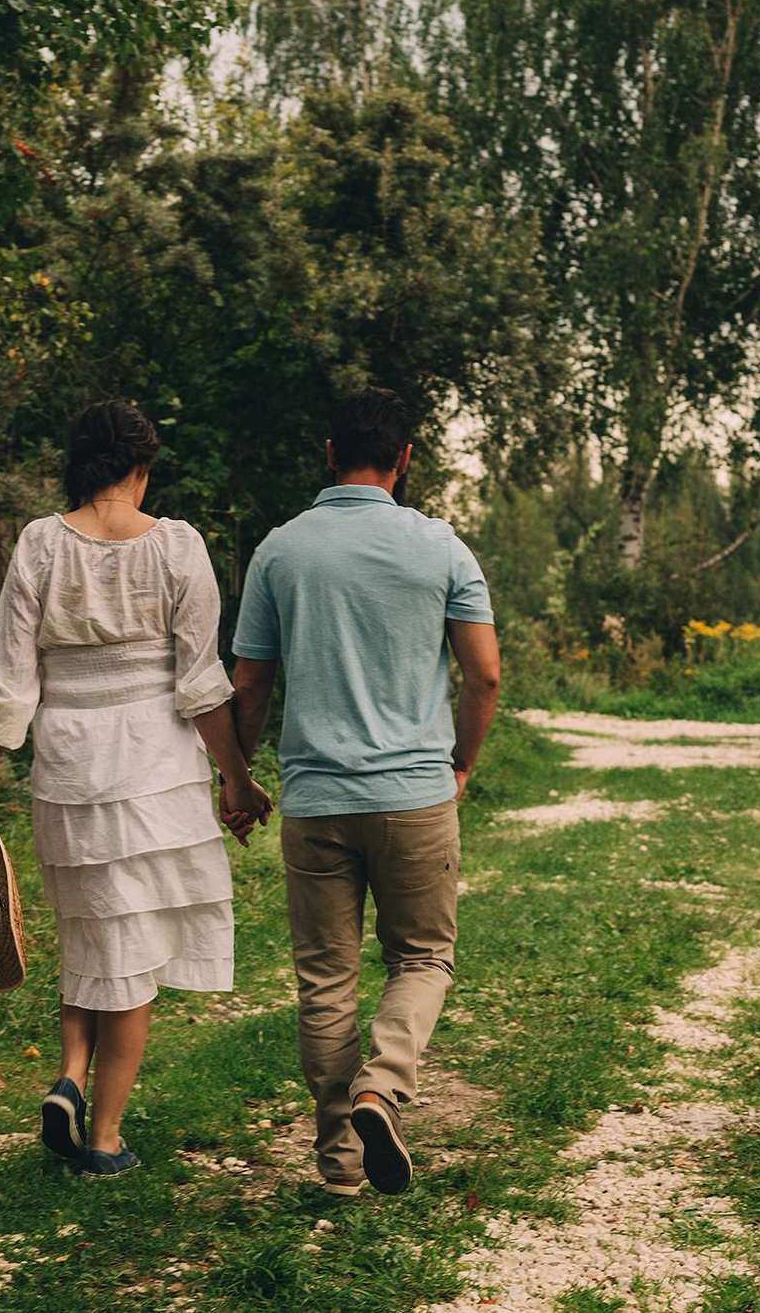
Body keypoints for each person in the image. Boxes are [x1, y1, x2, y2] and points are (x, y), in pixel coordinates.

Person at [0, 400, 272, 1178]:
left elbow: (10, 672)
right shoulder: (176, 545)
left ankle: (69, 1074)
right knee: (128, 955)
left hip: (67, 765)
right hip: (153, 766)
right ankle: (102, 1139)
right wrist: (236, 778)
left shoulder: (39, 542)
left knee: (91, 934)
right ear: (142, 466)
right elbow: (200, 683)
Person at [227, 388, 500, 1198]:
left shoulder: (281, 551)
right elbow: (484, 673)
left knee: (325, 979)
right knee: (421, 956)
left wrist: (238, 780)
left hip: (314, 801)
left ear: (327, 451)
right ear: (405, 458)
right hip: (416, 793)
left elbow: (250, 686)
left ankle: (340, 1161)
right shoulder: (441, 547)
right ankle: (382, 1086)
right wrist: (461, 764)